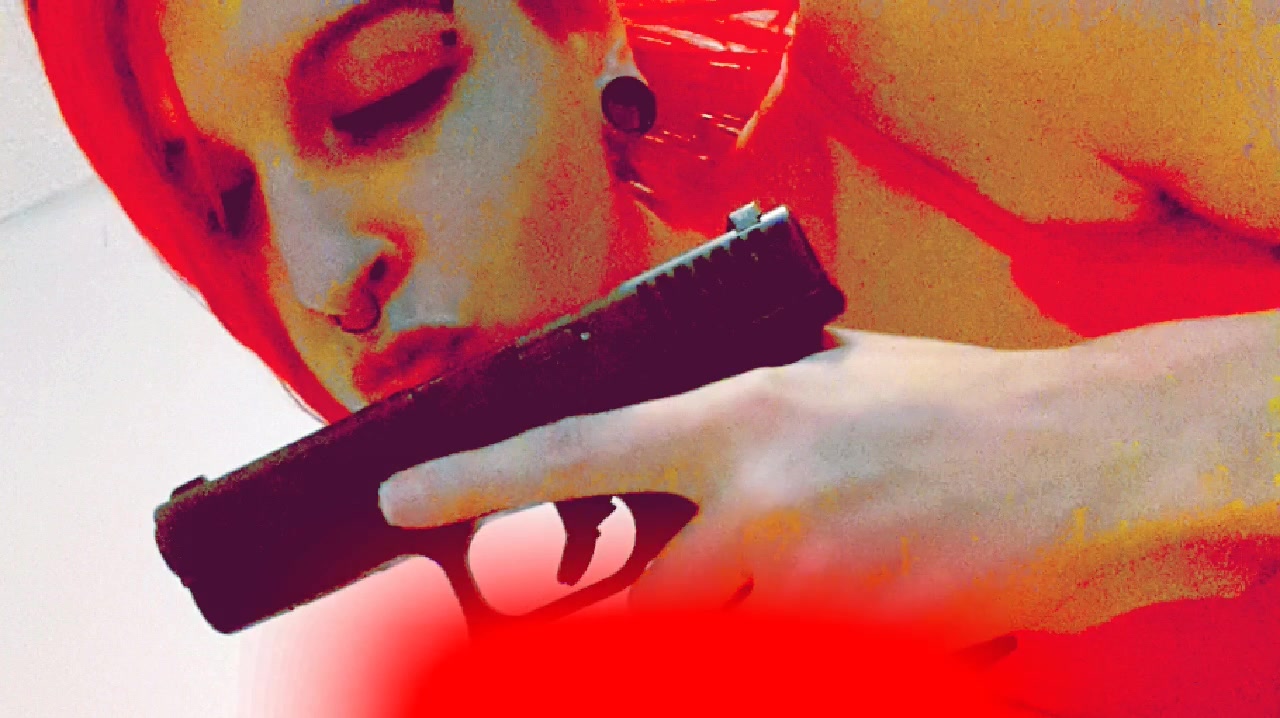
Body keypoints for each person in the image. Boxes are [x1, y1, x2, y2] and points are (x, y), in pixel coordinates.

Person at [23, 0, 1280, 706]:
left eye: (385, 91)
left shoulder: (958, 53)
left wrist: (1104, 438)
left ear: (589, 31)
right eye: (224, 205)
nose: (315, 277)